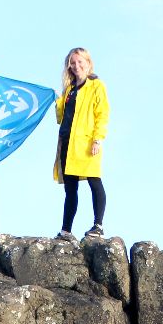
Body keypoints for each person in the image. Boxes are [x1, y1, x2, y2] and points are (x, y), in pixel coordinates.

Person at [53, 47, 110, 241]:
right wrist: (58, 101)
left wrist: (98, 138)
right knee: (70, 189)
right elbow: (61, 118)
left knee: (94, 180)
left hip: (86, 142)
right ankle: (66, 230)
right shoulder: (69, 90)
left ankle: (98, 225)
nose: (76, 66)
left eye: (80, 62)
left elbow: (102, 114)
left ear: (88, 63)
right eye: (73, 63)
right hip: (68, 142)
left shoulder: (96, 86)